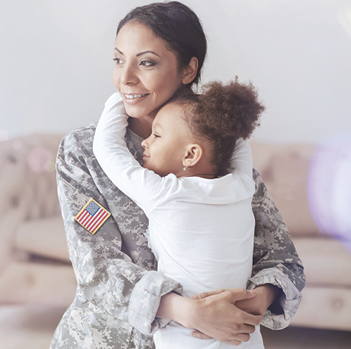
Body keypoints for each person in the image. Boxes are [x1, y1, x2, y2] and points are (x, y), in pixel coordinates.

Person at [51, 1, 305, 349]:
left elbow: (282, 259)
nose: (125, 78)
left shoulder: (218, 150)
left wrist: (254, 302)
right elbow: (96, 268)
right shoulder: (82, 150)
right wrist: (187, 311)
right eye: (118, 59)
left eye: (146, 62)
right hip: (107, 339)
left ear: (188, 69)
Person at [93, 80, 265, 348]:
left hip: (187, 335)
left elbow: (107, 150)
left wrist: (123, 97)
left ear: (191, 154)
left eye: (157, 135)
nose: (145, 143)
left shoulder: (166, 194)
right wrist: (215, 110)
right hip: (241, 336)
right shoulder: (242, 186)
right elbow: (238, 141)